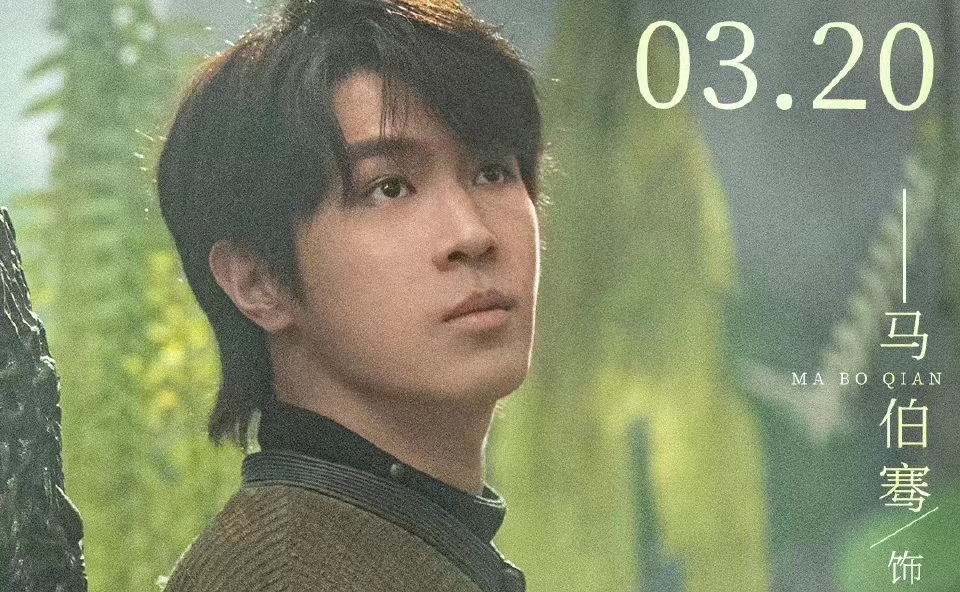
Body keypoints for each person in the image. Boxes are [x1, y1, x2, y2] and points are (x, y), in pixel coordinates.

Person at [155, 0, 542, 590]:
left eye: (492, 171)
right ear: (257, 281)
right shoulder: (290, 577)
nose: (472, 235)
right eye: (389, 188)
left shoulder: (382, 544)